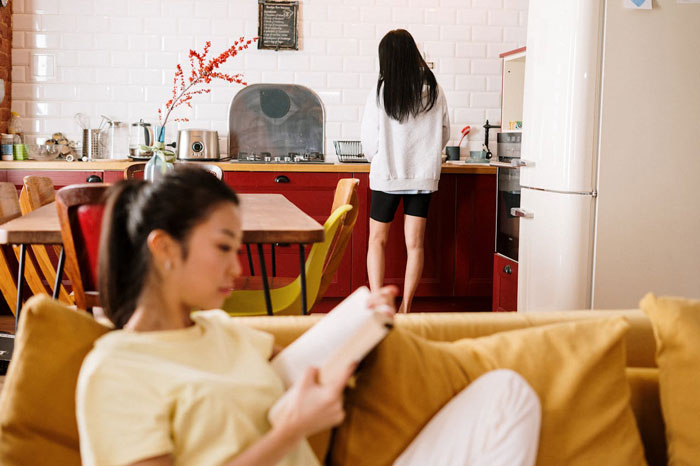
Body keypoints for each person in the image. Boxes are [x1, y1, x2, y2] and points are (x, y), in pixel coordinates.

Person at [76, 167, 541, 466]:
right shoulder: (115, 368)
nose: (238, 270)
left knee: (508, 394)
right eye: (223, 248)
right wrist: (292, 430)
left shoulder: (223, 333)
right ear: (164, 249)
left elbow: (303, 370)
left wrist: (356, 327)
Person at [361, 29, 450, 314]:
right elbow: (445, 131)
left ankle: (377, 305)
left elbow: (369, 138)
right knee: (415, 245)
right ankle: (406, 308)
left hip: (387, 175)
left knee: (377, 240)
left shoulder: (381, 89)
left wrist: (378, 158)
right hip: (421, 177)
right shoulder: (434, 88)